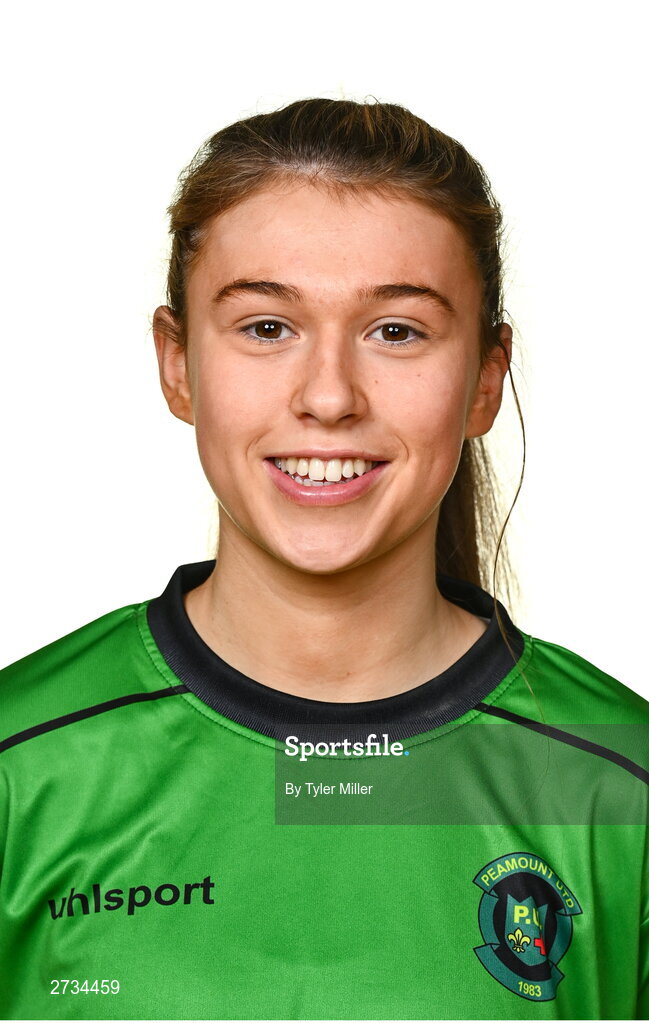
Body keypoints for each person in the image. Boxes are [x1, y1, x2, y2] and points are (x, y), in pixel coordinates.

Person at [0, 97, 647, 1021]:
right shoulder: (20, 767)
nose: (330, 396)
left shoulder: (620, 782)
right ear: (178, 364)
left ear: (485, 381)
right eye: (267, 326)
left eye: (397, 330)